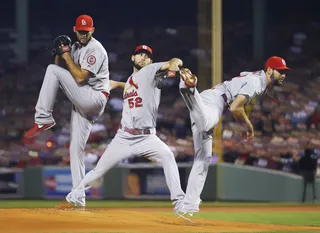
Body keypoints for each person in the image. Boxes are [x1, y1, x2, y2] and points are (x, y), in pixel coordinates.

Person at [66, 45, 186, 211]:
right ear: (132, 58)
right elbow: (132, 85)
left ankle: (180, 203)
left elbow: (174, 61)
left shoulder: (151, 70)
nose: (143, 58)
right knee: (99, 170)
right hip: (124, 137)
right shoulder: (131, 80)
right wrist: (115, 84)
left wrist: (174, 65)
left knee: (167, 157)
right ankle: (75, 195)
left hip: (147, 137)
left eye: (146, 56)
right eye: (139, 55)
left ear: (151, 61)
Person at [23, 14, 124, 207]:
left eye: (87, 31)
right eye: (80, 31)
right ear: (75, 29)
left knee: (52, 71)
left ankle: (43, 117)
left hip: (93, 98)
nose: (83, 34)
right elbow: (63, 68)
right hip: (84, 103)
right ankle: (78, 199)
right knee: (75, 150)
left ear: (92, 30)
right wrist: (59, 52)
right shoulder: (77, 46)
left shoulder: (95, 49)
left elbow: (78, 78)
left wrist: (66, 54)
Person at [176, 56, 291, 215]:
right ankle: (188, 88)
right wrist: (248, 125)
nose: (283, 75)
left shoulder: (259, 79)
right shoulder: (257, 82)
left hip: (207, 102)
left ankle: (188, 207)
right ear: (269, 70)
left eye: (284, 72)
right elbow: (235, 107)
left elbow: (243, 77)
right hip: (214, 101)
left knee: (204, 158)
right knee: (206, 123)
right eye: (280, 71)